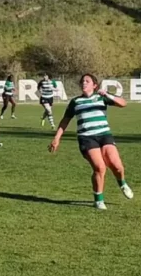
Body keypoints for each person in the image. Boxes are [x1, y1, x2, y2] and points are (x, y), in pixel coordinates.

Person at [49, 74, 134, 210]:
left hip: (104, 135)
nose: (84, 83)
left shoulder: (102, 97)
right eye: (82, 81)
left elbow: (123, 103)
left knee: (116, 166)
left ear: (94, 85)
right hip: (86, 137)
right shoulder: (75, 102)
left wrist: (108, 94)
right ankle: (98, 200)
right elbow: (65, 120)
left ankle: (122, 183)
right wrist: (56, 138)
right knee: (99, 167)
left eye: (87, 81)